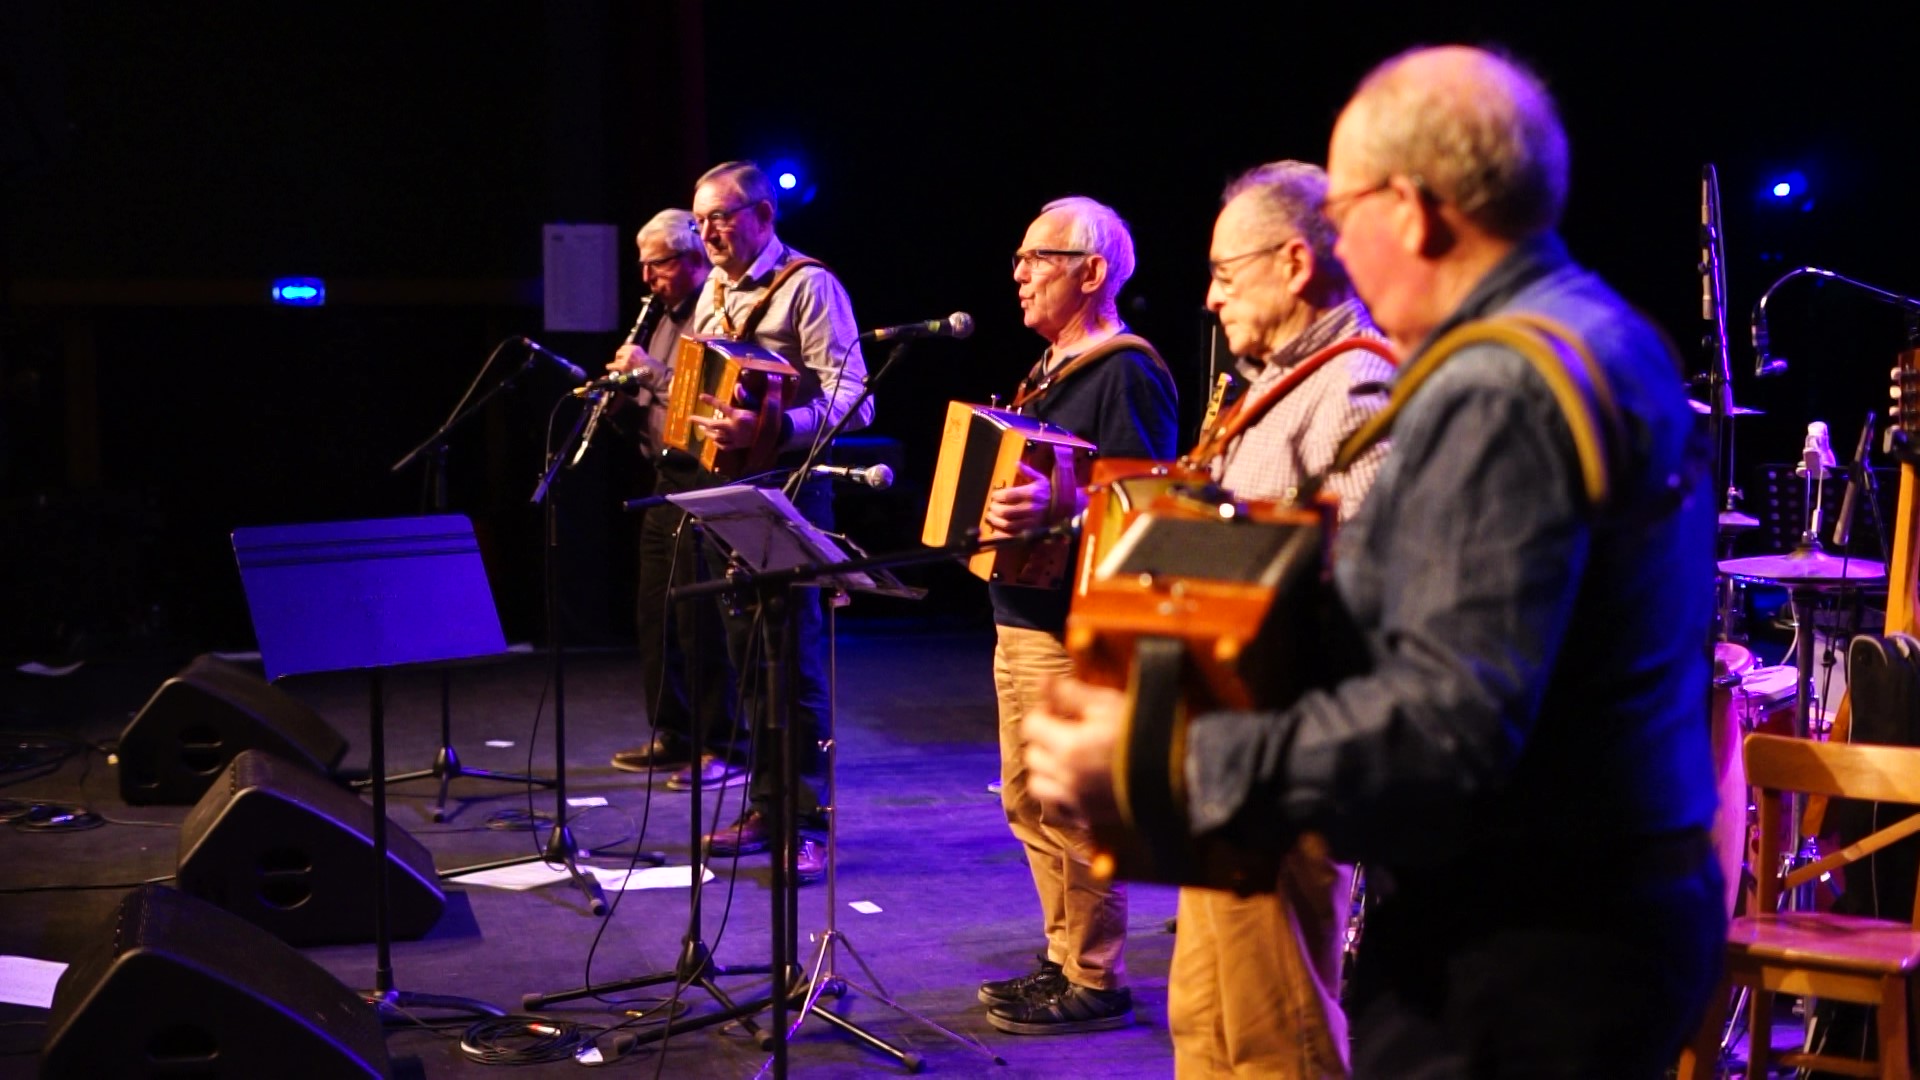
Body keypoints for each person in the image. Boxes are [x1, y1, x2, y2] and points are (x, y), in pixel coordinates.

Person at [1024, 46, 1723, 1078]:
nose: (1338, 249)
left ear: (1413, 208)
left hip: (1520, 954)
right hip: (1599, 915)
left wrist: (1167, 759)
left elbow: (1447, 731)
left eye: (1346, 214)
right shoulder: (1596, 336)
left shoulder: (1495, 388)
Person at [1167, 161, 1394, 1080]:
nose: (1211, 296)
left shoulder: (1356, 384)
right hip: (1230, 743)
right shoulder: (1273, 387)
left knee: (1277, 1033)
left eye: (1226, 273)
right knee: (1207, 1017)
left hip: (1286, 750)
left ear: (1294, 264)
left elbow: (1377, 580)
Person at [977, 195, 1179, 1036]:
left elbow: (1150, 509)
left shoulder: (1125, 371)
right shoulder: (1052, 370)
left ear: (1092, 273)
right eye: (1020, 258)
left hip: (1072, 627)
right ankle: (1065, 958)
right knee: (1028, 803)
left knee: (1070, 805)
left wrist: (1058, 514)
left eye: (1039, 258)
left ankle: (1096, 977)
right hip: (1020, 615)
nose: (1020, 274)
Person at [683, 161, 874, 885]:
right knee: (750, 662)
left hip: (792, 492)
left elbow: (856, 399)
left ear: (764, 215)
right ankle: (767, 807)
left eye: (721, 217)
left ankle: (808, 825)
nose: (708, 233)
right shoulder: (713, 290)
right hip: (728, 492)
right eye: (699, 221)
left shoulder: (809, 286)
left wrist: (776, 427)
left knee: (794, 662)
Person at [604, 209, 737, 781]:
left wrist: (651, 372)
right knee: (656, 612)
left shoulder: (715, 312)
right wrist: (619, 398)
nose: (647, 278)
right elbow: (656, 401)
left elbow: (704, 393)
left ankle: (722, 744)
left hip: (705, 477)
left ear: (691, 259)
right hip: (664, 478)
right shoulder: (659, 316)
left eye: (656, 264)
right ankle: (675, 732)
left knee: (701, 617)